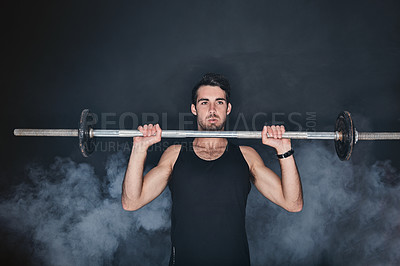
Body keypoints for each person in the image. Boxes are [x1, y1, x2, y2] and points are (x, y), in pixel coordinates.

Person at [121, 73, 303, 266]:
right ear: (193, 109)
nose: (212, 109)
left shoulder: (246, 156)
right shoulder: (174, 155)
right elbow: (132, 202)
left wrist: (284, 151)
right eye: (204, 102)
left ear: (228, 108)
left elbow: (293, 204)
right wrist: (139, 149)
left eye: (219, 102)